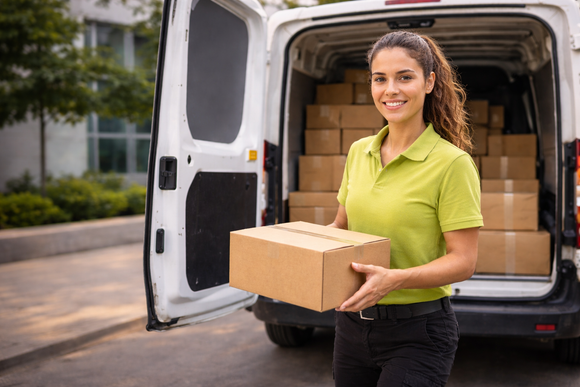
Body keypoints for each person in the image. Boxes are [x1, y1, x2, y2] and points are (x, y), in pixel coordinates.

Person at [329, 30, 483, 387]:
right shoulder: (359, 151)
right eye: (380, 79)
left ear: (429, 82)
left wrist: (394, 279)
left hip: (419, 333)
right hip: (351, 327)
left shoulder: (451, 163)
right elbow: (341, 227)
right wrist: (298, 250)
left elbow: (464, 261)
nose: (390, 90)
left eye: (405, 77)